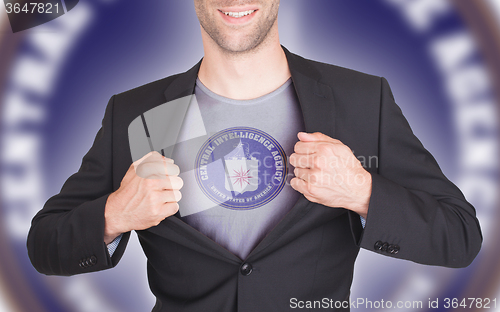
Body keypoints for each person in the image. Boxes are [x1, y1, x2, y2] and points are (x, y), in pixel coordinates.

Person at [27, 0, 482, 311]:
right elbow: (45, 245)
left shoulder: (361, 101)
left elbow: (460, 236)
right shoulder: (139, 113)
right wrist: (113, 215)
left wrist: (363, 191)